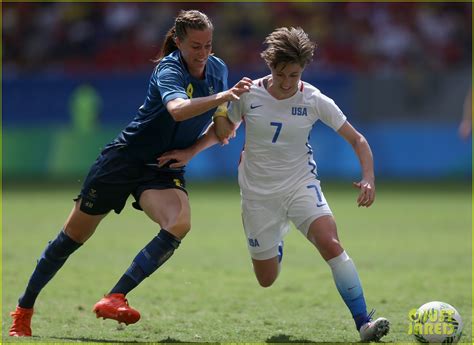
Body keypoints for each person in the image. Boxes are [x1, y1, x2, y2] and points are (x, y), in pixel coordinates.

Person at [9, 10, 252, 337]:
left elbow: (221, 128)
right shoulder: (169, 69)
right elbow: (178, 110)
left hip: (163, 165)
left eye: (208, 45)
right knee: (72, 237)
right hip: (124, 160)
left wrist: (194, 149)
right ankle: (23, 309)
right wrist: (224, 97)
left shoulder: (218, 69)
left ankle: (114, 296)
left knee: (179, 223)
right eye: (195, 46)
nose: (203, 53)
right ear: (178, 42)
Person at [158, 27, 390, 342]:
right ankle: (275, 242)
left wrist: (368, 178)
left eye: (293, 75)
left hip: (300, 185)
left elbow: (358, 140)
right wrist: (195, 145)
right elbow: (223, 132)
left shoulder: (314, 99)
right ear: (271, 68)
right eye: (280, 74)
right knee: (266, 279)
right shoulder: (249, 93)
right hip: (258, 196)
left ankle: (364, 322)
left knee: (331, 244)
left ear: (303, 70)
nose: (286, 82)